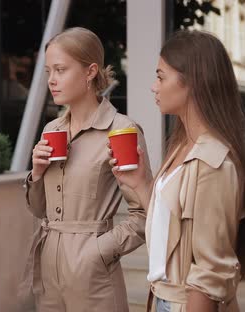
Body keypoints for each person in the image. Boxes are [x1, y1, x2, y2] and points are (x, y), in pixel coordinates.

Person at [110, 30, 245, 312]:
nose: (154, 87)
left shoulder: (213, 162)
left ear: (192, 82)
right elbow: (169, 232)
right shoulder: (184, 144)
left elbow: (209, 274)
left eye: (161, 76)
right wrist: (142, 183)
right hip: (162, 298)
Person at [23, 27, 152, 312]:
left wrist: (98, 252)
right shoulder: (52, 129)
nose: (52, 81)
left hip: (93, 273)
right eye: (48, 72)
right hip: (48, 271)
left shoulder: (121, 130)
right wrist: (37, 173)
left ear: (90, 71)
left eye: (60, 70)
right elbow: (38, 209)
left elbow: (145, 213)